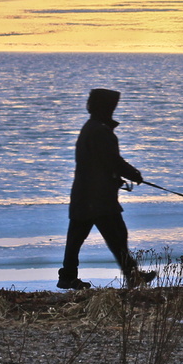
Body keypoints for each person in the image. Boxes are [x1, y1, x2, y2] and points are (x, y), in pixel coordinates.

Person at [58, 87, 156, 290]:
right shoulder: (100, 131)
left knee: (77, 239)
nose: (114, 109)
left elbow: (99, 164)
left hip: (85, 195)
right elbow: (113, 161)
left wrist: (118, 178)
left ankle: (67, 276)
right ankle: (132, 276)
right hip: (98, 199)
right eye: (112, 105)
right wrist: (134, 175)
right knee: (117, 236)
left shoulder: (91, 127)